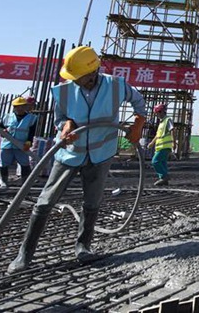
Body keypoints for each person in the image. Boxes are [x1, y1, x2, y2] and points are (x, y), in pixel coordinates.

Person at [8, 46, 146, 273]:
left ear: (93, 72)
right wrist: (66, 126)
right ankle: (25, 255)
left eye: (79, 76)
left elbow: (138, 101)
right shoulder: (63, 91)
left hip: (101, 154)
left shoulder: (116, 86)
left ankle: (83, 247)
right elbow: (60, 118)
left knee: (92, 202)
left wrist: (138, 123)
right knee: (45, 201)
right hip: (70, 153)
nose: (75, 80)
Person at [0, 97, 38, 188]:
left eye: (22, 106)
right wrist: (3, 132)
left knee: (24, 163)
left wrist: (28, 143)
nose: (19, 108)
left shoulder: (32, 118)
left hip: (21, 145)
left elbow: (32, 132)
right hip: (7, 144)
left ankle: (25, 183)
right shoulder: (7, 117)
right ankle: (4, 182)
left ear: (25, 106)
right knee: (3, 163)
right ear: (14, 107)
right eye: (17, 106)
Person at [148, 103, 173, 186]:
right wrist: (152, 143)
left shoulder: (168, 120)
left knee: (155, 161)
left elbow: (172, 130)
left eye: (157, 113)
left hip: (165, 146)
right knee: (162, 162)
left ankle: (163, 177)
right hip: (160, 147)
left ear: (161, 111)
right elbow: (158, 135)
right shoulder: (162, 123)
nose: (157, 115)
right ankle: (164, 180)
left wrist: (174, 143)